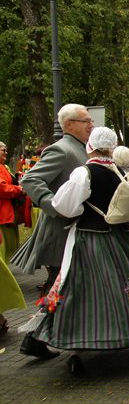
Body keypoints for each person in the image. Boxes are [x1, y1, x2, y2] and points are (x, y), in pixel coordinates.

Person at [23, 127, 129, 376]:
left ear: (90, 146)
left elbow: (64, 206)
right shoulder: (121, 172)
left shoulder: (84, 171)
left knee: (78, 288)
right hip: (117, 241)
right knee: (121, 286)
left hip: (88, 240)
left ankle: (77, 348)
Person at [12, 104, 91, 294]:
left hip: (75, 230)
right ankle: (46, 322)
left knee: (66, 289)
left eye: (91, 121)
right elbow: (30, 180)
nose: (91, 124)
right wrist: (56, 206)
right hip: (60, 232)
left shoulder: (81, 149)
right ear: (69, 125)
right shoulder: (61, 150)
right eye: (86, 121)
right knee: (58, 289)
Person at [0, 142, 25, 263]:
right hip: (2, 214)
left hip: (8, 212)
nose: (6, 152)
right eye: (3, 150)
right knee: (4, 246)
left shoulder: (3, 167)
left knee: (10, 245)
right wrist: (19, 189)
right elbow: (2, 188)